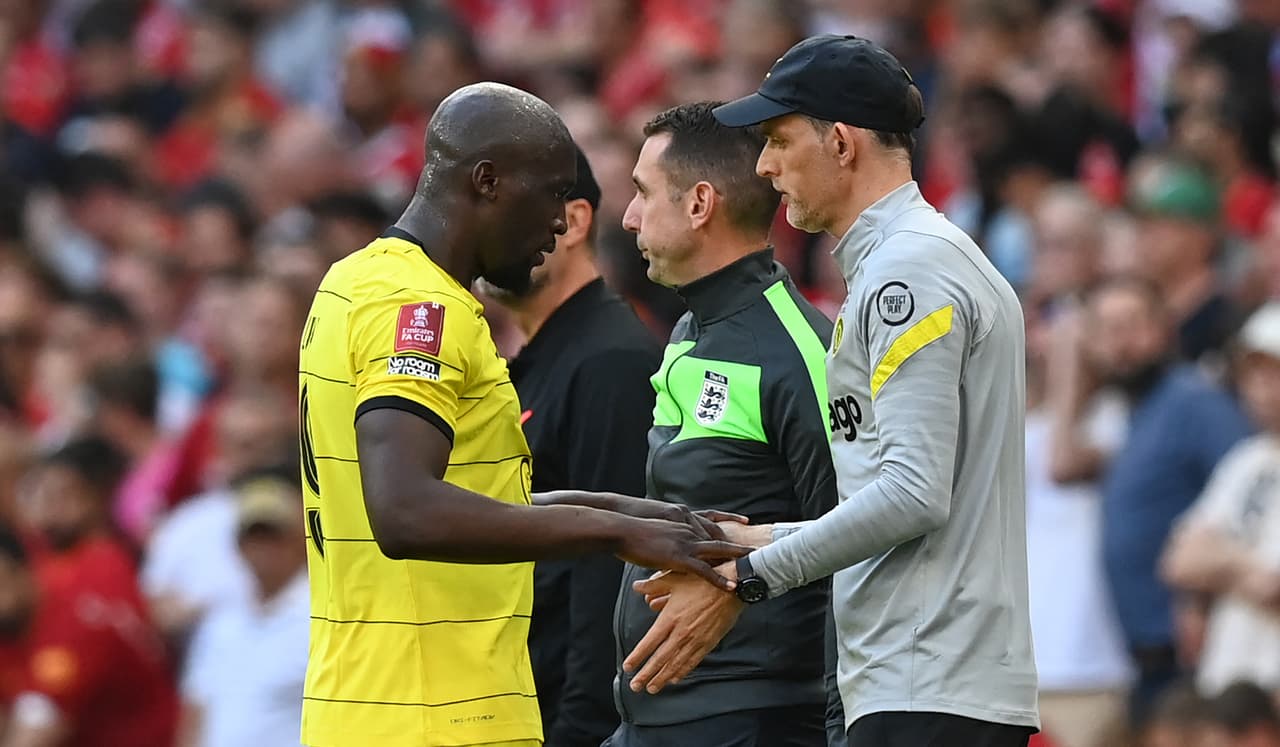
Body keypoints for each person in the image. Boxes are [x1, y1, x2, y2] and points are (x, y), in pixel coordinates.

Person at [296, 82, 748, 747]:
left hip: (363, 705)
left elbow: (478, 498)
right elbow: (405, 511)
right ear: (487, 181)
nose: (558, 225)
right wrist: (606, 534)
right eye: (549, 195)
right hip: (434, 712)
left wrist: (631, 516)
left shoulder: (353, 283)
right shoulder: (420, 310)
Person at [624, 36, 1040, 746]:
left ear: (841, 143)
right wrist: (757, 536)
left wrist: (752, 572)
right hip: (923, 677)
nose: (763, 166)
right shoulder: (913, 261)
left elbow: (913, 492)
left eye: (779, 140)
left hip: (926, 681)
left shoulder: (909, 273)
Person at [607, 101, 840, 746]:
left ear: (699, 203)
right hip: (654, 718)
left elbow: (859, 541)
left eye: (642, 193)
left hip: (752, 722)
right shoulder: (687, 331)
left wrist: (745, 586)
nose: (628, 217)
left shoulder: (799, 355)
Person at [484, 146, 660, 746]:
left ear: (575, 219)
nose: (487, 236)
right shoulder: (533, 362)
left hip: (566, 718)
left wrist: (581, 730)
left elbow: (611, 568)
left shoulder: (609, 361)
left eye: (508, 211)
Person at [1080, 277, 1250, 724]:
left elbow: (1252, 495)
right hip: (1143, 656)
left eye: (1134, 325)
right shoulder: (1127, 409)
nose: (1121, 343)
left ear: (1164, 328)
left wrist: (1199, 599)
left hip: (1191, 654)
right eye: (1107, 329)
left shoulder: (1195, 403)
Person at [0, 438, 178, 746]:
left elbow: (36, 730)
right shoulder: (18, 619)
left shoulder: (83, 609)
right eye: (42, 493)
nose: (49, 504)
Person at [1161, 302, 1280, 696]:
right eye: (1254, 373)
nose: (1263, 389)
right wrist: (1244, 567)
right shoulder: (1247, 458)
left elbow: (1273, 586)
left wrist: (1222, 563)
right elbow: (1179, 561)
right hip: (1230, 686)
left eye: (1275, 372)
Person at [180, 471, 310, 747]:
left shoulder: (318, 617)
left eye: (274, 536)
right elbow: (197, 710)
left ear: (299, 540)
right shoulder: (221, 619)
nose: (263, 549)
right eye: (254, 536)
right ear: (239, 546)